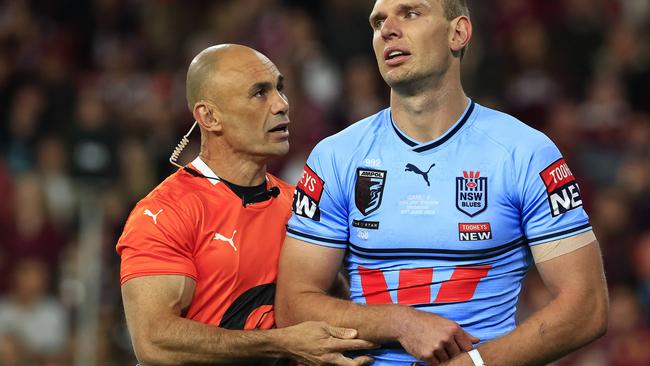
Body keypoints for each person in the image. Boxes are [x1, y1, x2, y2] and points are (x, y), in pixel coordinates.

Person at [276, 1, 608, 365]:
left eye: (411, 13)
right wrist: (400, 322)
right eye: (377, 22)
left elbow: (586, 307)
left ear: (459, 33)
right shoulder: (335, 157)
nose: (387, 29)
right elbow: (293, 306)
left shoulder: (524, 153)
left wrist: (475, 363)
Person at [116, 44, 375, 366]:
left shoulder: (300, 206)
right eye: (259, 93)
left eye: (280, 89)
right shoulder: (163, 213)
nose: (282, 105)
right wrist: (281, 343)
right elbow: (154, 343)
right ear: (209, 117)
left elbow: (338, 302)